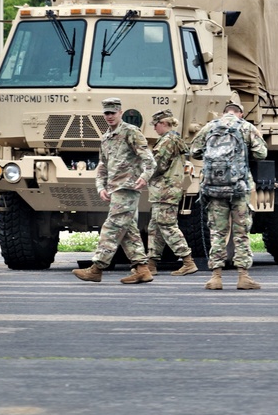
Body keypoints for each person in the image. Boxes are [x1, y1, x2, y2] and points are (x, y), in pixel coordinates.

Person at [73, 97, 157, 284]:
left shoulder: (131, 132)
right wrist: (100, 187)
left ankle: (97, 268)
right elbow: (103, 165)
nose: (110, 116)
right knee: (128, 230)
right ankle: (142, 269)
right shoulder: (106, 137)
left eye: (113, 112)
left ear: (120, 112)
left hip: (128, 188)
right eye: (107, 113)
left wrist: (144, 178)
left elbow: (149, 160)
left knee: (111, 227)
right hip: (114, 189)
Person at [189, 101, 267, 290]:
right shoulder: (246, 127)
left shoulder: (209, 127)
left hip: (214, 188)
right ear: (240, 114)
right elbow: (262, 153)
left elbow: (194, 151)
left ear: (223, 114)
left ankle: (216, 277)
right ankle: (243, 277)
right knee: (241, 233)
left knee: (217, 232)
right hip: (240, 187)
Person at [146, 109, 198, 277]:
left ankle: (187, 261)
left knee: (167, 226)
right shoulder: (173, 139)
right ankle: (151, 263)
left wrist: (141, 172)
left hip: (165, 190)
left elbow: (157, 166)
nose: (154, 128)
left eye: (155, 125)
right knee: (155, 227)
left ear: (163, 123)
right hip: (165, 190)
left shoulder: (167, 141)